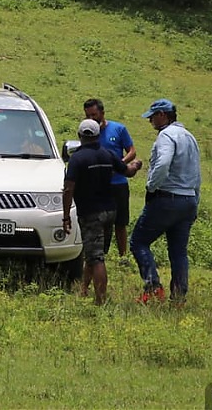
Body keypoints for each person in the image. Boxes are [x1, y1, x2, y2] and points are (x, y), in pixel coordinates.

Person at [63, 119, 143, 305]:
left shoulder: (77, 159)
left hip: (91, 214)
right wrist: (137, 165)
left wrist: (66, 216)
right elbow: (128, 172)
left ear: (80, 136)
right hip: (110, 211)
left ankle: (100, 301)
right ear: (98, 135)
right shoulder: (107, 154)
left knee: (95, 257)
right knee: (94, 252)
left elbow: (68, 189)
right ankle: (84, 290)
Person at [130, 99, 201, 305]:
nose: (150, 120)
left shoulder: (166, 136)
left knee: (139, 242)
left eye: (152, 116)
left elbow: (162, 163)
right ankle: (179, 297)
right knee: (178, 252)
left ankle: (153, 287)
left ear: (163, 115)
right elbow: (196, 173)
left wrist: (151, 186)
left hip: (167, 198)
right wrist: (195, 199)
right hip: (188, 200)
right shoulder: (190, 137)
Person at [83, 98, 137, 261]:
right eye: (88, 116)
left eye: (94, 115)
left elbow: (132, 151)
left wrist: (119, 165)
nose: (91, 119)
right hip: (97, 186)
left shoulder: (119, 129)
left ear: (102, 113)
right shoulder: (88, 133)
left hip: (118, 183)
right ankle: (101, 255)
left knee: (120, 222)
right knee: (99, 222)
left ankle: (123, 256)